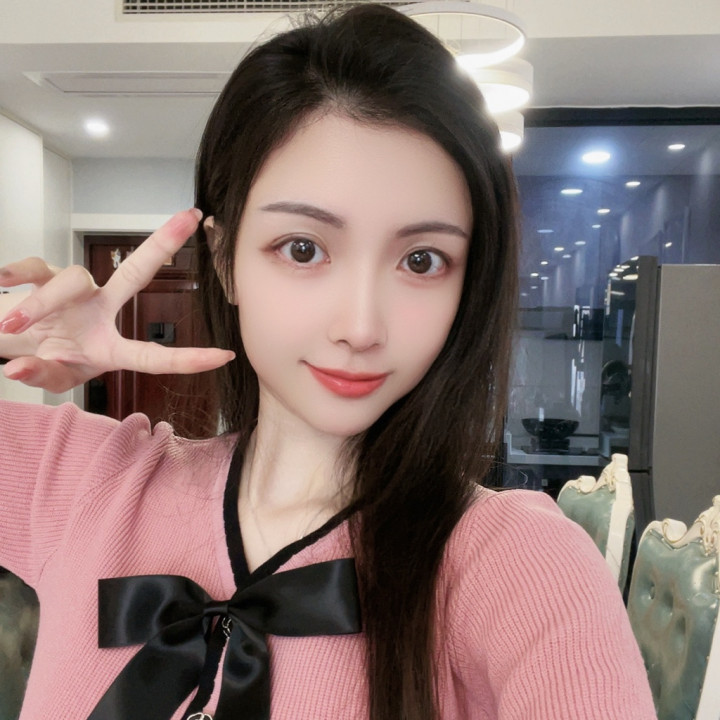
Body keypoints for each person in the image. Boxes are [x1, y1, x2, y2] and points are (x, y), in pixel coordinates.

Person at [0, 4, 657, 719]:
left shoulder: (517, 567)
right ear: (223, 261)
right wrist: (9, 331)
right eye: (304, 248)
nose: (360, 327)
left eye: (422, 260)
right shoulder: (82, 482)